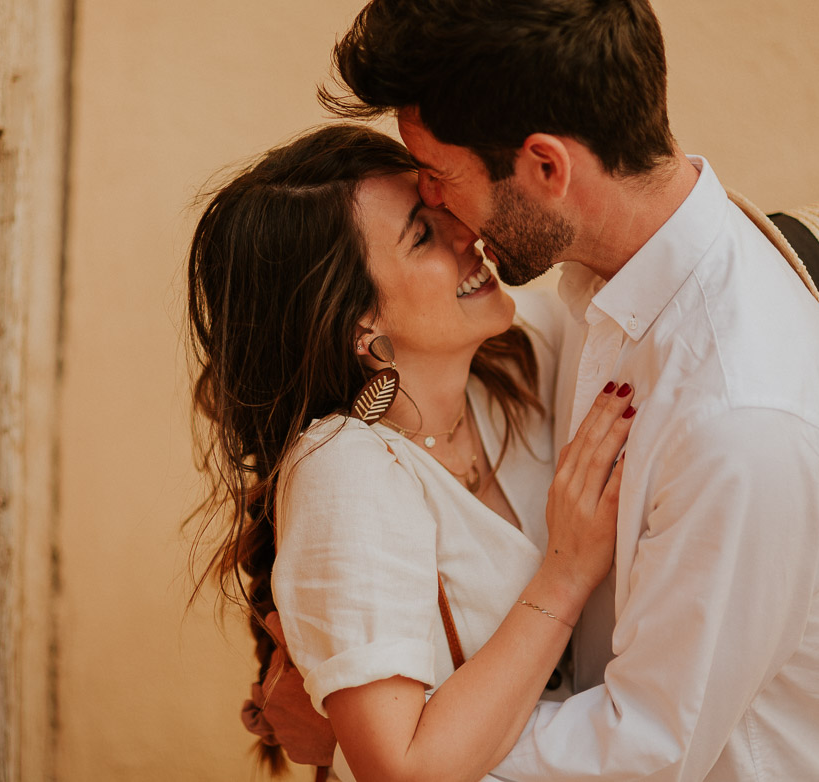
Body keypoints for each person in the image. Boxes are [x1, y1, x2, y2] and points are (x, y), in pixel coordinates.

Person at [308, 0, 819, 779]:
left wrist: (396, 743)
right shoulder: (601, 293)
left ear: (546, 167)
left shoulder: (742, 421)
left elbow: (642, 749)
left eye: (442, 177)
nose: (438, 203)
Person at [187, 123, 636, 781]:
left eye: (440, 207)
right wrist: (565, 575)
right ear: (356, 322)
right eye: (422, 235)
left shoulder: (525, 357)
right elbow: (403, 772)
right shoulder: (344, 470)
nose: (465, 234)